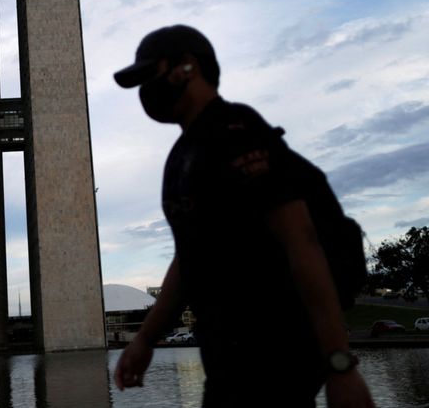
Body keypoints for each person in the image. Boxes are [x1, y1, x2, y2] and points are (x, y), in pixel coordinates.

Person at [112, 25, 374, 408]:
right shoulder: (182, 156)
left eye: (149, 75)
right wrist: (144, 340)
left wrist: (340, 366)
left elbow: (301, 240)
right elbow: (189, 258)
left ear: (187, 68)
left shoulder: (237, 131)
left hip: (275, 353)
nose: (143, 93)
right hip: (227, 360)